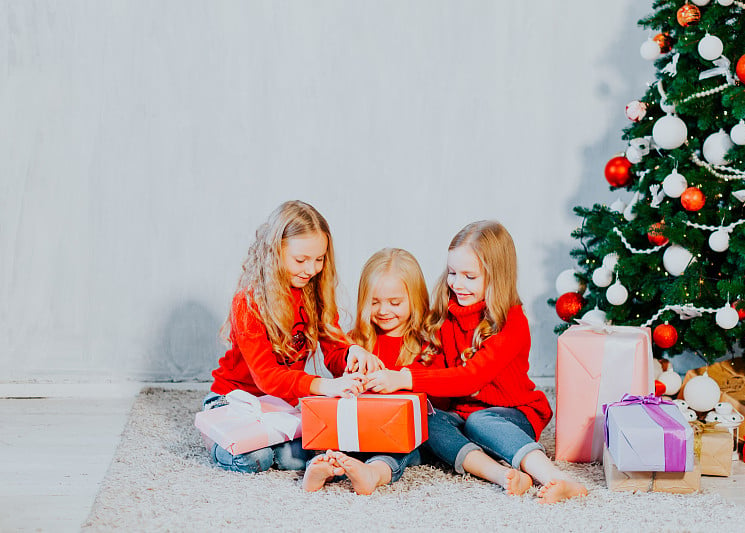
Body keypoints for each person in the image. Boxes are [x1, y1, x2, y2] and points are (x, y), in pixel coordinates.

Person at [366, 221, 588, 503]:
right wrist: (386, 380)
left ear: (496, 276)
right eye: (453, 273)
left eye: (469, 277)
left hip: (513, 413)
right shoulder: (445, 315)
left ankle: (561, 479)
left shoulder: (512, 321)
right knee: (423, 419)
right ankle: (500, 474)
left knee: (480, 421)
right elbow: (433, 372)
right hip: (464, 415)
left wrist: (404, 378)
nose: (457, 284)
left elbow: (471, 377)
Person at [203, 200, 382, 474]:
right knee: (253, 460)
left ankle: (262, 442)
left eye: (319, 259)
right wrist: (323, 386)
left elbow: (334, 352)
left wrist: (351, 353)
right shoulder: (249, 302)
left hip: (278, 406)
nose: (311, 269)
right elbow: (267, 376)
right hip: (235, 398)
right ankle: (216, 434)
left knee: (305, 456)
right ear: (275, 252)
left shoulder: (315, 293)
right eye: (301, 260)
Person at [303, 248, 438, 494]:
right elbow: (334, 359)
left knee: (400, 451)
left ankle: (372, 474)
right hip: (358, 427)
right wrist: (351, 360)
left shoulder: (428, 344)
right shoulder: (359, 340)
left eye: (395, 303)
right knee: (328, 438)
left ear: (416, 300)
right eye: (374, 302)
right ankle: (319, 468)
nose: (384, 311)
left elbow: (436, 387)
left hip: (396, 435)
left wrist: (397, 381)